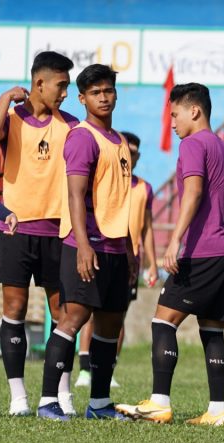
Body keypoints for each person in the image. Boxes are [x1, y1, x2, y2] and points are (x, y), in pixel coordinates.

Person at [115, 83, 224, 426]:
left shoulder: (193, 144)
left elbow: (193, 192)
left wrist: (174, 241)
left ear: (195, 111)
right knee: (213, 330)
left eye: (174, 114)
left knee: (162, 321)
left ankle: (159, 402)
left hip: (203, 252)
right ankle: (217, 411)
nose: (171, 122)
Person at [0, 51, 78, 417]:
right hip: (15, 228)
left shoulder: (71, 126)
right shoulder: (9, 120)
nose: (65, 93)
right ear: (39, 84)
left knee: (62, 313)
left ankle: (61, 394)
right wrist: (5, 97)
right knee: (15, 309)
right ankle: (18, 397)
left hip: (58, 231)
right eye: (61, 85)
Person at [37, 63, 136, 421]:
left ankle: (99, 404)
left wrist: (128, 250)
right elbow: (76, 196)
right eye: (95, 92)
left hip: (114, 248)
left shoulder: (120, 140)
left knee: (109, 327)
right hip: (85, 244)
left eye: (108, 90)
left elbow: (119, 199)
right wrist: (82, 245)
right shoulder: (81, 137)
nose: (104, 97)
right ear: (82, 98)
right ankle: (48, 401)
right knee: (73, 319)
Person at [74, 131, 158, 389]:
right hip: (101, 252)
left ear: (138, 156)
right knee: (90, 315)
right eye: (127, 152)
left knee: (116, 317)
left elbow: (146, 228)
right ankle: (85, 370)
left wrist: (152, 263)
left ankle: (109, 369)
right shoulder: (106, 178)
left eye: (133, 153)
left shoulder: (144, 188)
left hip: (128, 258)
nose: (129, 156)